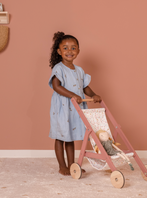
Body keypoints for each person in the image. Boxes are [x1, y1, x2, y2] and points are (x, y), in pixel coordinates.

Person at [48, 31, 101, 175]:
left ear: (78, 51)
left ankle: (72, 164)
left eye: (73, 48)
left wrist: (93, 95)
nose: (69, 51)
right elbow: (56, 86)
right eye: (65, 48)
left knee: (69, 137)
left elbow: (85, 87)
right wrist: (72, 95)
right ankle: (62, 166)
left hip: (75, 108)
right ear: (59, 51)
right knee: (61, 137)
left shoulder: (79, 70)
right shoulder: (59, 68)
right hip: (63, 108)